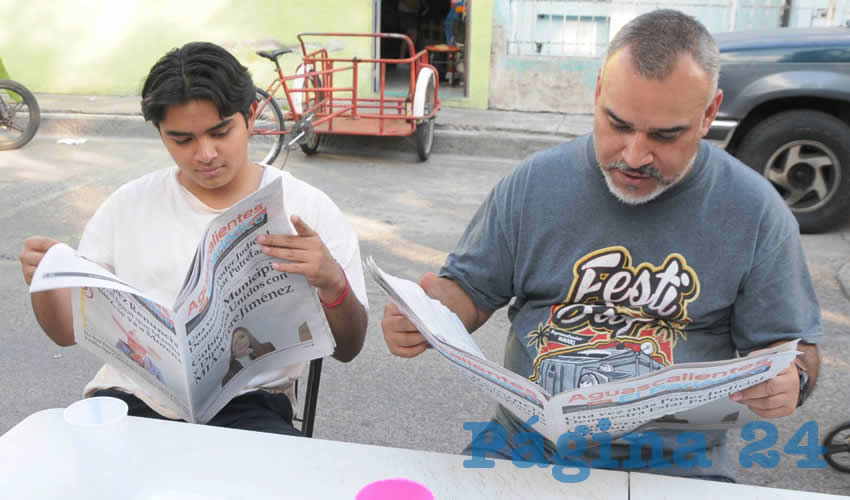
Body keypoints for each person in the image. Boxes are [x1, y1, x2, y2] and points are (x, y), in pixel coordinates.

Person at [381, 9, 822, 482]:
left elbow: (796, 351)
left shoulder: (754, 212)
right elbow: (467, 292)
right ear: (597, 93)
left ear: (709, 113)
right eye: (617, 124)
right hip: (522, 447)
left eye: (664, 135)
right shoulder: (534, 185)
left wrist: (790, 379)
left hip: (676, 468)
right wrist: (427, 314)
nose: (634, 155)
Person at [19, 41, 369, 436]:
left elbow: (348, 348)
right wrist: (45, 283)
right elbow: (65, 333)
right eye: (182, 140)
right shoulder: (128, 206)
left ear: (251, 116)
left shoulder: (306, 208)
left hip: (249, 406)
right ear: (160, 132)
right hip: (132, 398)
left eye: (220, 132)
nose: (205, 154)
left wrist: (332, 282)